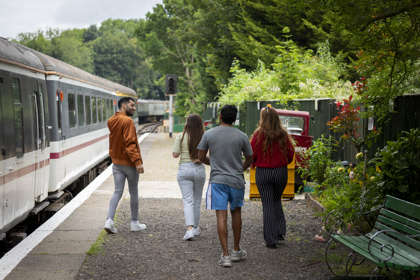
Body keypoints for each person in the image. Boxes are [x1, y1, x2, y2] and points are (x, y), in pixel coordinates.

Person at [197, 105, 253, 267]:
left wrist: (214, 163)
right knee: (236, 213)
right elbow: (250, 157)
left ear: (220, 116)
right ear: (234, 119)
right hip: (236, 180)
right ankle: (236, 250)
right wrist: (240, 167)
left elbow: (200, 156)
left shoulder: (209, 134)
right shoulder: (242, 136)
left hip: (218, 181)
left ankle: (226, 255)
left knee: (221, 216)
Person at [250, 106, 294, 248]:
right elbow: (290, 155)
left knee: (268, 204)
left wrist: (255, 163)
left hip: (263, 173)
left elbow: (252, 154)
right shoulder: (283, 134)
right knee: (276, 200)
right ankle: (280, 232)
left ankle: (270, 239)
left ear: (262, 119)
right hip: (280, 172)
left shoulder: (258, 135)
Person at [104, 97, 146, 234]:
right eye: (131, 105)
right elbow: (130, 144)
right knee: (133, 192)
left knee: (117, 192)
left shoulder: (111, 120)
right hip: (129, 164)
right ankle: (134, 223)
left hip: (116, 163)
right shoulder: (127, 121)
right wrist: (138, 162)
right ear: (123, 105)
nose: (134, 108)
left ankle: (109, 220)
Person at [172, 114, 206, 241]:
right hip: (199, 169)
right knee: (197, 200)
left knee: (188, 200)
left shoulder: (181, 136)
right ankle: (196, 228)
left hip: (184, 169)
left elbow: (175, 154)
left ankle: (190, 229)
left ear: (188, 123)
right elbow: (209, 153)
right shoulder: (204, 136)